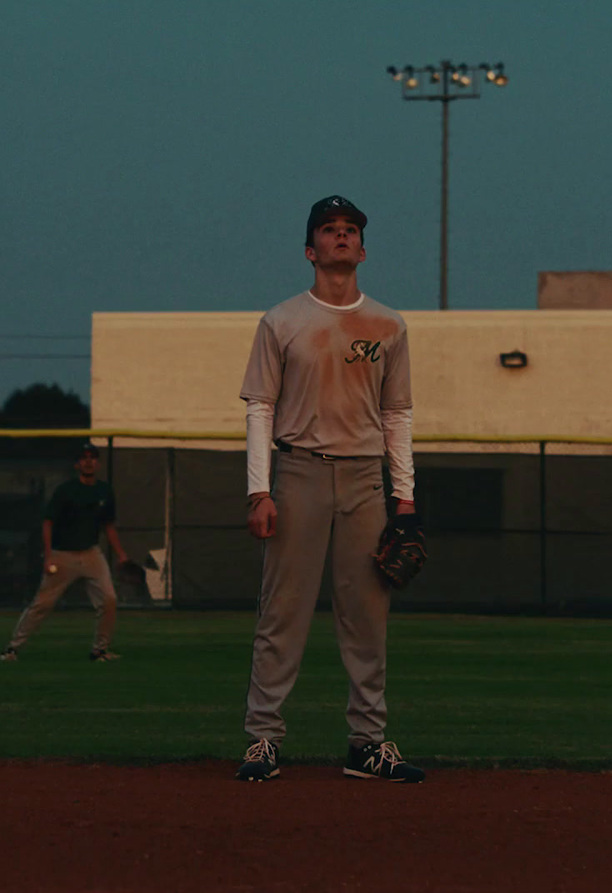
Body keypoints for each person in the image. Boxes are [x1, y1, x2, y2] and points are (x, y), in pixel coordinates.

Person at [234, 195, 425, 782]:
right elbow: (261, 408)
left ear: (363, 250)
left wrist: (406, 497)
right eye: (329, 230)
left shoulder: (388, 324)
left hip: (367, 479)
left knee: (367, 616)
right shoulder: (282, 320)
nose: (341, 237)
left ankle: (367, 744)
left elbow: (397, 415)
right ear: (310, 250)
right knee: (282, 615)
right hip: (299, 474)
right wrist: (259, 491)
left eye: (350, 230)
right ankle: (263, 740)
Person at [0, 441, 129, 663]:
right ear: (77, 464)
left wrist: (121, 554)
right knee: (42, 604)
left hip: (91, 554)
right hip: (63, 555)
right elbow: (48, 522)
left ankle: (99, 651)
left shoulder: (105, 491)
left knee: (109, 599)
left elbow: (108, 525)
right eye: (84, 457)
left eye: (92, 457)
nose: (88, 461)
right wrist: (48, 555)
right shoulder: (66, 491)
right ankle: (12, 648)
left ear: (97, 463)